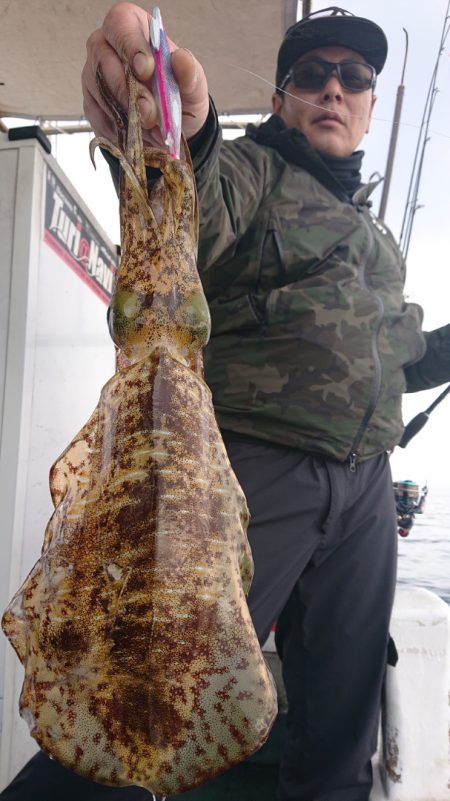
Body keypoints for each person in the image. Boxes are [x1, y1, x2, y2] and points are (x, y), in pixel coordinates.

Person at [2, 6, 450, 801]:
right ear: (281, 99)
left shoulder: (374, 240)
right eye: (312, 74)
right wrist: (187, 131)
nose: (333, 89)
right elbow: (198, 197)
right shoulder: (257, 169)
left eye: (354, 78)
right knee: (146, 666)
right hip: (247, 467)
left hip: (366, 488)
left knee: (344, 721)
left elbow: (406, 357)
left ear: (371, 102)